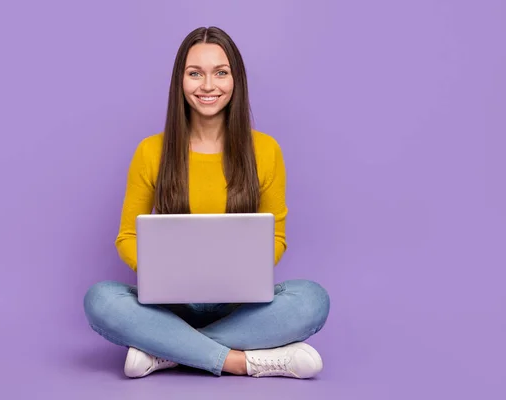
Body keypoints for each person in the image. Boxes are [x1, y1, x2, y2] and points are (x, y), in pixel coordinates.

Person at [83, 26, 330, 379]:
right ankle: (241, 362)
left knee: (312, 299)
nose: (208, 86)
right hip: (171, 304)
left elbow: (276, 237)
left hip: (240, 305)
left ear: (236, 80)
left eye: (221, 73)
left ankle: (166, 351)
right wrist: (164, 274)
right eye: (195, 73)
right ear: (179, 82)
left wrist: (239, 274)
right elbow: (127, 236)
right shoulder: (151, 151)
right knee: (100, 299)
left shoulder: (266, 150)